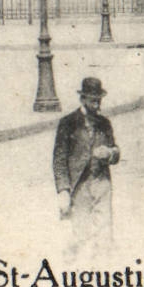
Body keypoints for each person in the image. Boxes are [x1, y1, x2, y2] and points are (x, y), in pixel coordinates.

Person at [53, 77, 120, 254]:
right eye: (93, 101)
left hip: (101, 184)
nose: (97, 105)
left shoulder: (105, 124)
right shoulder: (68, 123)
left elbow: (116, 151)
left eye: (99, 101)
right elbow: (59, 160)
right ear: (82, 99)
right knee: (81, 235)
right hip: (79, 186)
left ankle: (103, 263)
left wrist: (110, 153)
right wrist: (63, 190)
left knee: (104, 236)